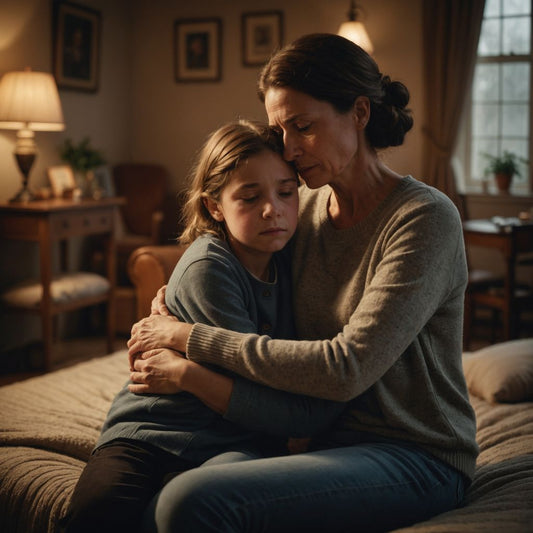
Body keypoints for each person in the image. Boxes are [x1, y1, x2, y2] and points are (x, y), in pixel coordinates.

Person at [128, 33, 479, 532]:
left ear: (359, 113)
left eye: (303, 127)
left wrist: (187, 339)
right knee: (157, 502)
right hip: (322, 442)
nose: (288, 149)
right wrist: (172, 298)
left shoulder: (423, 218)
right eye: (280, 129)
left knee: (191, 501)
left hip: (416, 455)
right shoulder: (304, 209)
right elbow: (236, 259)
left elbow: (347, 367)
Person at [61, 119, 344, 533]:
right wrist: (306, 417)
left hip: (237, 439)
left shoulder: (290, 252)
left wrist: (188, 372)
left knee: (205, 505)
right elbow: (258, 392)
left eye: (286, 192)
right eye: (249, 198)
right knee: (96, 513)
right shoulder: (209, 267)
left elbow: (262, 399)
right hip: (156, 430)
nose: (273, 210)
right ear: (214, 206)